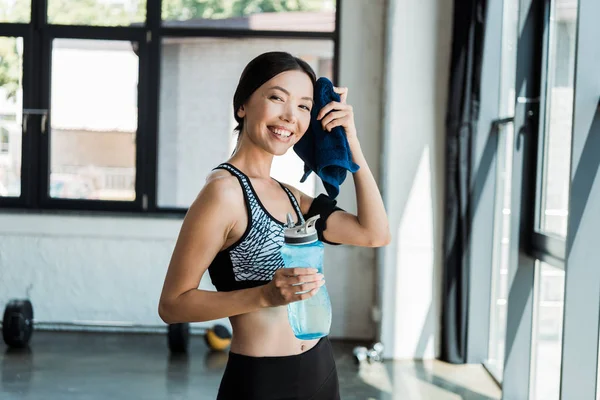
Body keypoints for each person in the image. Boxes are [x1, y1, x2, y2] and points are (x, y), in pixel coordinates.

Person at [158, 51, 391, 400]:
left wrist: (351, 142)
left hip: (321, 371)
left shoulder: (292, 197)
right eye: (277, 98)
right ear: (243, 105)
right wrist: (266, 295)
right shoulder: (223, 193)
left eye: (303, 106)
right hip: (262, 382)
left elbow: (374, 234)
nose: (289, 116)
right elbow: (173, 305)